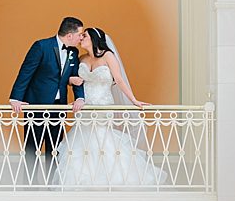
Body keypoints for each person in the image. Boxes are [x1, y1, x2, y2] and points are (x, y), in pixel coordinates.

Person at [56, 27, 168, 186]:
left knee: (102, 138)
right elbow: (73, 81)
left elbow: (119, 80)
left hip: (103, 105)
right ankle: (84, 180)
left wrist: (134, 100)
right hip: (85, 108)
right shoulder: (82, 59)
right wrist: (72, 87)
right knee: (82, 140)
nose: (81, 39)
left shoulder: (108, 56)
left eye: (84, 36)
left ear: (94, 38)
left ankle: (110, 179)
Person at [9, 17, 86, 184]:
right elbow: (26, 72)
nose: (82, 38)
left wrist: (80, 96)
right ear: (70, 35)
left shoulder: (73, 52)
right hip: (36, 105)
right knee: (32, 148)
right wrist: (15, 98)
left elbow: (75, 77)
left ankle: (52, 184)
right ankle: (29, 186)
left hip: (59, 108)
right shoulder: (41, 46)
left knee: (54, 149)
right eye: (80, 34)